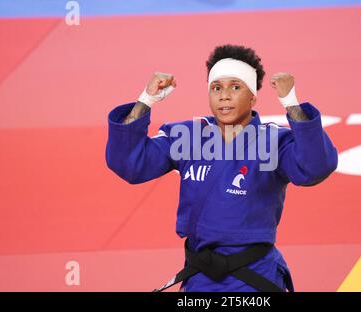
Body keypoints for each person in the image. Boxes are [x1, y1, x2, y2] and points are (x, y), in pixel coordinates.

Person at [106, 44, 338, 292]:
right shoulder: (188, 136)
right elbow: (129, 164)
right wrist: (146, 99)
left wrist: (291, 103)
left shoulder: (273, 140)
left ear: (253, 96)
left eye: (235, 87)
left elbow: (315, 168)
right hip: (201, 278)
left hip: (255, 277)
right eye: (216, 88)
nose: (224, 96)